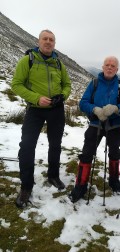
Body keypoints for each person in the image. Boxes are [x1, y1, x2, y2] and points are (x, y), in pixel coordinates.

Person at [11, 29, 71, 208]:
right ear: (38, 42)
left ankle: (53, 175)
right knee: (27, 146)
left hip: (56, 110)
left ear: (54, 43)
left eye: (51, 39)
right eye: (45, 39)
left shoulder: (59, 63)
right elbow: (16, 84)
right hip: (35, 110)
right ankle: (26, 186)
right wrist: (36, 98)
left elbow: (67, 85)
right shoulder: (27, 60)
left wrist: (63, 96)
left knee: (55, 144)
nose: (48, 42)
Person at [69, 56, 120, 202]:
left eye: (113, 66)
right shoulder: (94, 84)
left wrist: (116, 108)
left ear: (117, 69)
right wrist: (94, 109)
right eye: (107, 65)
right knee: (86, 153)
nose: (110, 67)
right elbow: (83, 103)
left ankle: (114, 181)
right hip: (95, 124)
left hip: (114, 126)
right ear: (103, 67)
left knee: (115, 153)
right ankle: (80, 185)